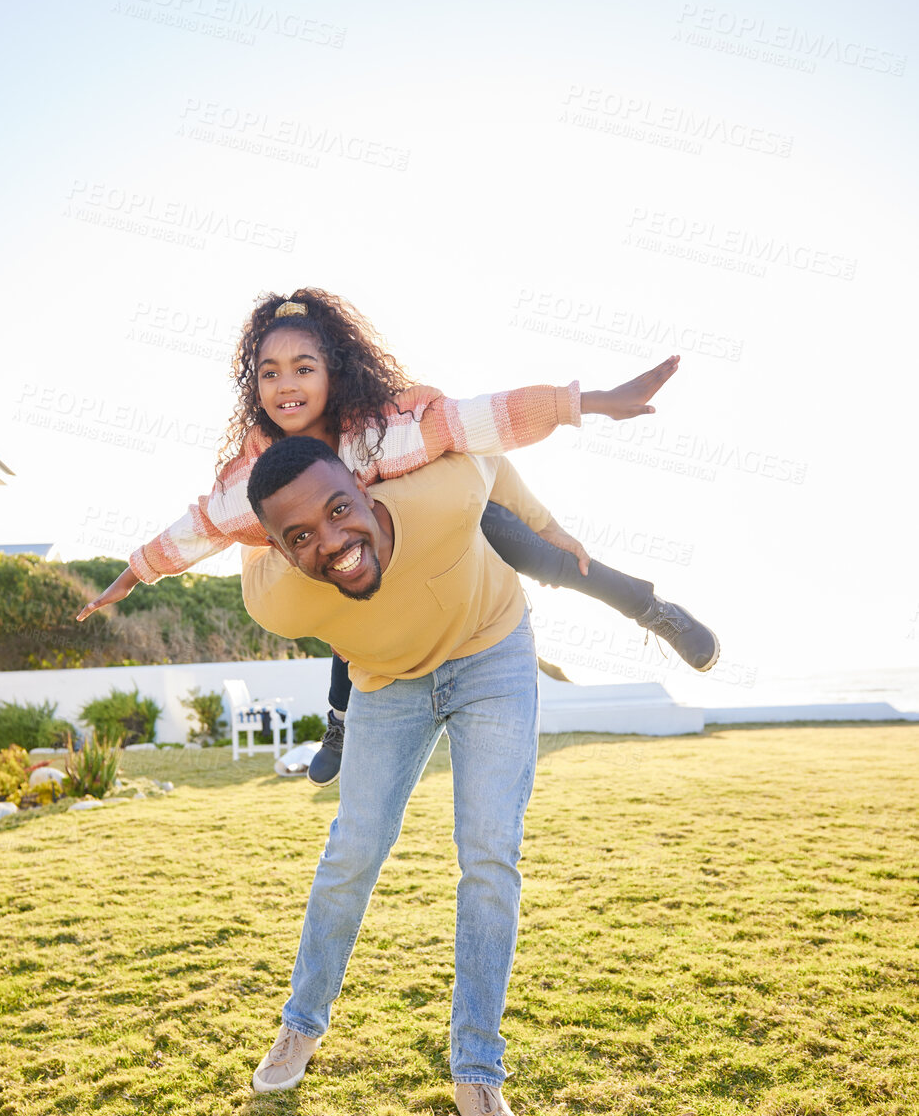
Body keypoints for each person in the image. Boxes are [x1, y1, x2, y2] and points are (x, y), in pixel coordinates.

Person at [76, 289, 719, 784]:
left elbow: (481, 422)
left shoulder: (386, 430)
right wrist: (135, 572)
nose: (287, 385)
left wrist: (589, 403)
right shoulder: (256, 474)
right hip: (347, 581)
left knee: (500, 532)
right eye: (269, 373)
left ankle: (647, 606)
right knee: (335, 567)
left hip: (431, 545)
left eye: (303, 367)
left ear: (334, 370)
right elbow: (203, 525)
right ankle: (341, 719)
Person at [239, 434, 562, 1116]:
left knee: (488, 854)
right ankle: (300, 1023)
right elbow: (222, 522)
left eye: (338, 508)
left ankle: (478, 1074)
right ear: (280, 550)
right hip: (386, 679)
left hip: (489, 650)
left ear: (362, 484)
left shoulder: (439, 493)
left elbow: (489, 449)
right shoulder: (277, 598)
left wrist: (551, 529)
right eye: (299, 536)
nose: (331, 540)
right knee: (352, 849)